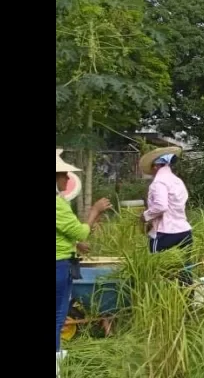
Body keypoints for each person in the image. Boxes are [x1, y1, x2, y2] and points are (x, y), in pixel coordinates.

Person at [56, 149, 112, 374]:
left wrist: (76, 245)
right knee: (58, 314)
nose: (68, 179)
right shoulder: (58, 205)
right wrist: (94, 212)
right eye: (63, 175)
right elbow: (80, 231)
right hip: (58, 264)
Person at [139, 147, 193, 285]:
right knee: (184, 272)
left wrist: (145, 216)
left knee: (158, 271)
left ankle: (159, 299)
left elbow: (161, 206)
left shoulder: (159, 183)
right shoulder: (177, 181)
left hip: (165, 233)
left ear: (156, 166)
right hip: (184, 232)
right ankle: (188, 302)